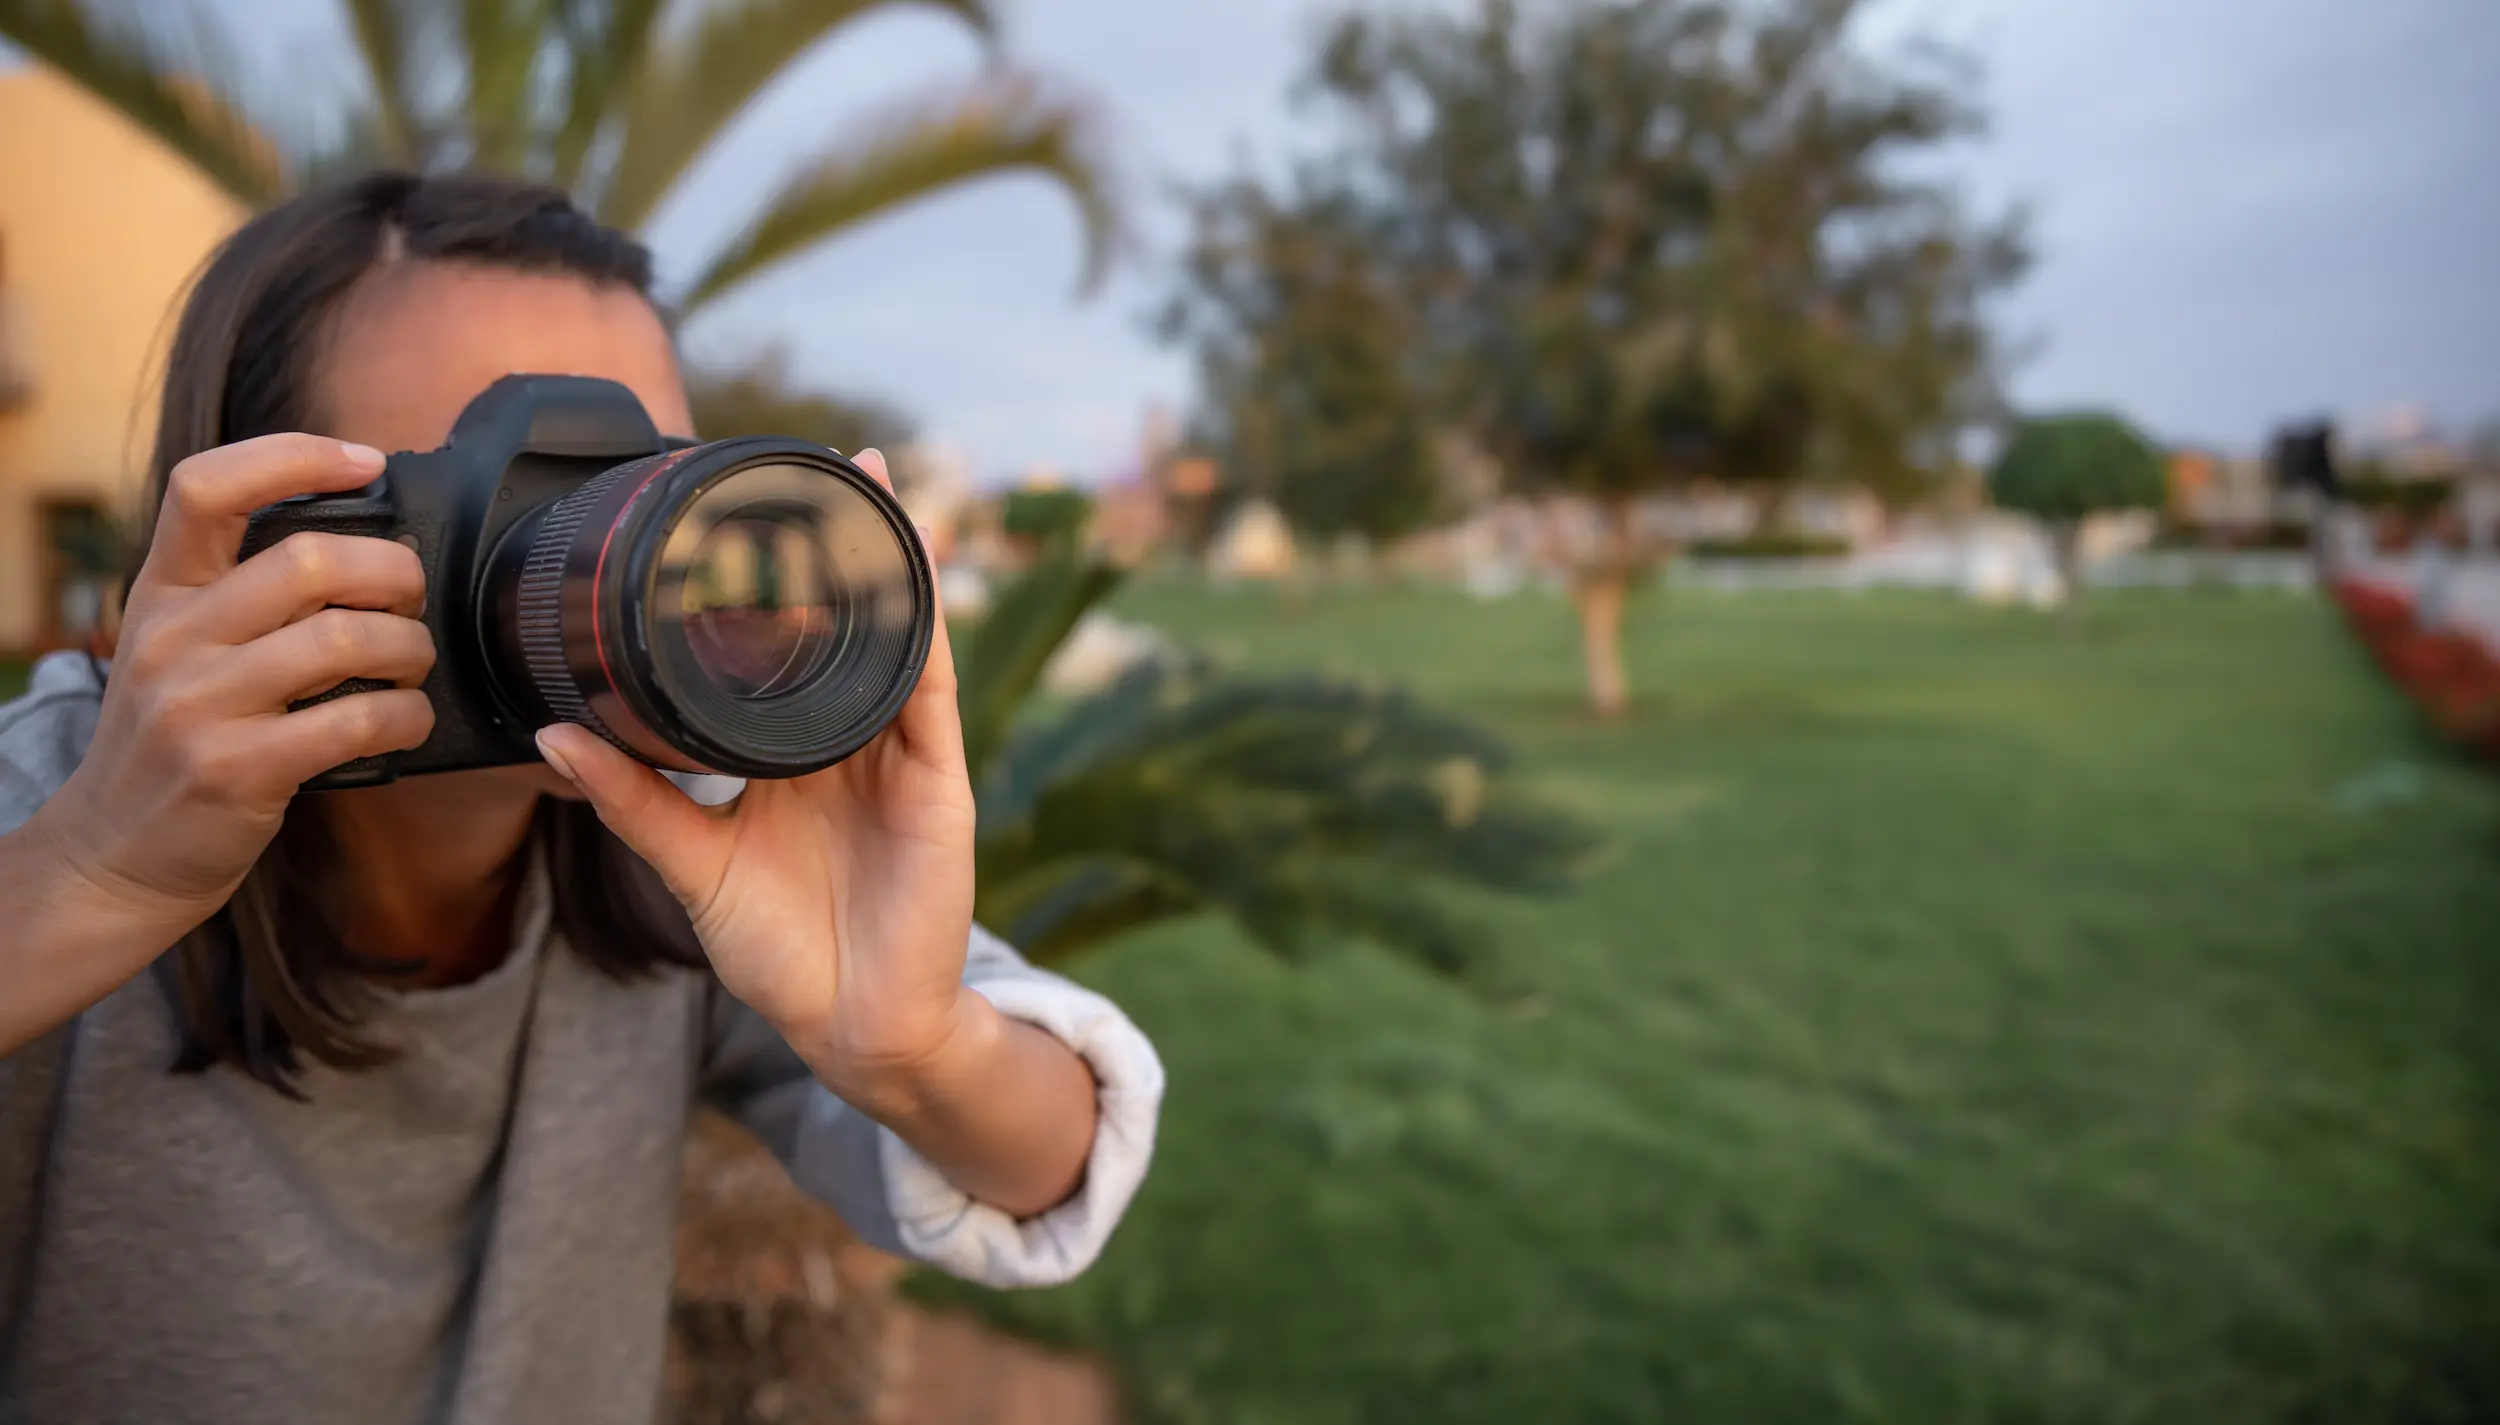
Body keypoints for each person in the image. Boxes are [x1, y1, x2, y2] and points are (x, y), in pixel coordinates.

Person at [0, 172, 1163, 1423]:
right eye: (476, 489)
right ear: (250, 534)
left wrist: (920, 1050)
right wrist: (94, 876)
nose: (609, 559)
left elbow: (1056, 1156)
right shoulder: (63, 795)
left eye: (636, 484)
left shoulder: (693, 836)